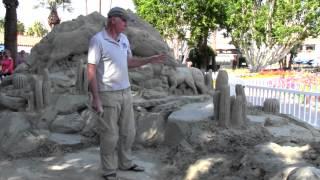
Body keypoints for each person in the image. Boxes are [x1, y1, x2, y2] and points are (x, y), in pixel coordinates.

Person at [87, 7, 166, 180]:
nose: (126, 24)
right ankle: (109, 170)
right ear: (113, 20)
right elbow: (91, 70)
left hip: (125, 92)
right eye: (123, 21)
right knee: (110, 135)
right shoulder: (98, 40)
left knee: (128, 132)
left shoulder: (124, 39)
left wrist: (150, 59)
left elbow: (129, 62)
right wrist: (96, 98)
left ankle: (126, 162)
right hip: (107, 93)